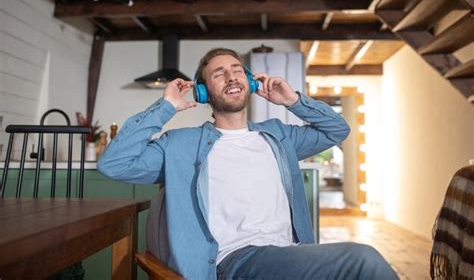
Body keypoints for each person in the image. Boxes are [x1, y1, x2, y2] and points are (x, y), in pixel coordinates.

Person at [98, 48, 398, 280]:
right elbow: (115, 163)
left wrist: (293, 101)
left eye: (237, 70)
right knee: (363, 261)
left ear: (250, 82)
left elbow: (337, 130)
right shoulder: (180, 145)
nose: (230, 77)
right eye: (218, 73)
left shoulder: (279, 136)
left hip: (289, 255)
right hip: (236, 261)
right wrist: (164, 108)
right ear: (203, 92)